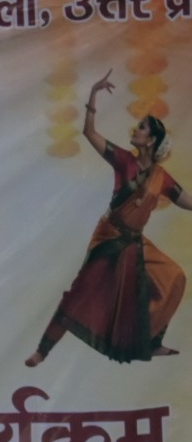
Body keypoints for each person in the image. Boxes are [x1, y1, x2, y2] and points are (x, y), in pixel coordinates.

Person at [26, 70, 192, 366]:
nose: (136, 130)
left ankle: (151, 343)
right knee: (81, 291)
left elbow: (184, 201)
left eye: (142, 128)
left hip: (135, 243)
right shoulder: (123, 160)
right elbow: (89, 134)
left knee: (174, 277)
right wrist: (93, 95)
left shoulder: (161, 177)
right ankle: (42, 350)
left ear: (152, 140)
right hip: (110, 237)